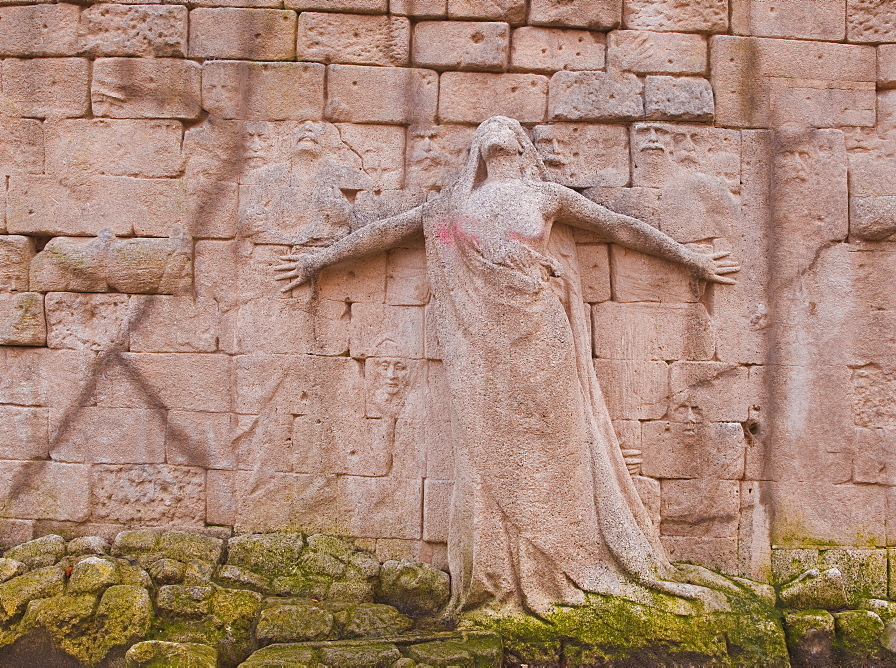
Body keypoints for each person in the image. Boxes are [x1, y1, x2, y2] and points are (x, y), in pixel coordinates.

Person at [274, 116, 740, 616]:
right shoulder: (449, 207)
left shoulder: (545, 196)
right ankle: (503, 570)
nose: (498, 130)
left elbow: (620, 226)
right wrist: (317, 261)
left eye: (508, 128)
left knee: (560, 439)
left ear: (520, 147)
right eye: (488, 127)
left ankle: (567, 555)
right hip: (479, 340)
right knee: (490, 443)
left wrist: (691, 258)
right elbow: (385, 233)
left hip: (540, 328)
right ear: (478, 148)